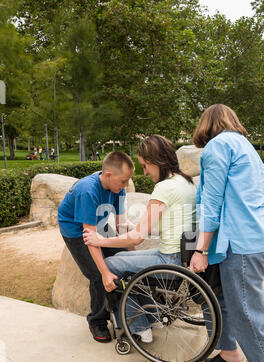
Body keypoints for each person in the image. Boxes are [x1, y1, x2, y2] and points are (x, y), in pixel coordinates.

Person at [189, 103, 264, 362]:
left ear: (206, 125)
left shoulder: (217, 148)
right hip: (258, 235)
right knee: (229, 302)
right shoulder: (245, 146)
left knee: (246, 313)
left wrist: (200, 249)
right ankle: (229, 354)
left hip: (243, 242)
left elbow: (212, 202)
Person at [83, 135, 197, 343]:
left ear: (155, 163)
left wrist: (100, 241)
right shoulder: (186, 182)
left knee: (110, 264)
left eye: (145, 166)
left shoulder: (164, 188)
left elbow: (137, 237)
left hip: (169, 259)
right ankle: (151, 317)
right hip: (184, 256)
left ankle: (139, 327)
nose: (144, 172)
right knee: (125, 260)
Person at [57, 151, 135, 343]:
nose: (125, 185)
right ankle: (97, 320)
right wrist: (105, 272)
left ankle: (126, 314)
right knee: (99, 275)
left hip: (97, 225)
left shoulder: (118, 189)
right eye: (123, 181)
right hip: (76, 229)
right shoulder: (88, 191)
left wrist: (132, 253)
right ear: (108, 174)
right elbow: (90, 238)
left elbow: (121, 225)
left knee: (124, 264)